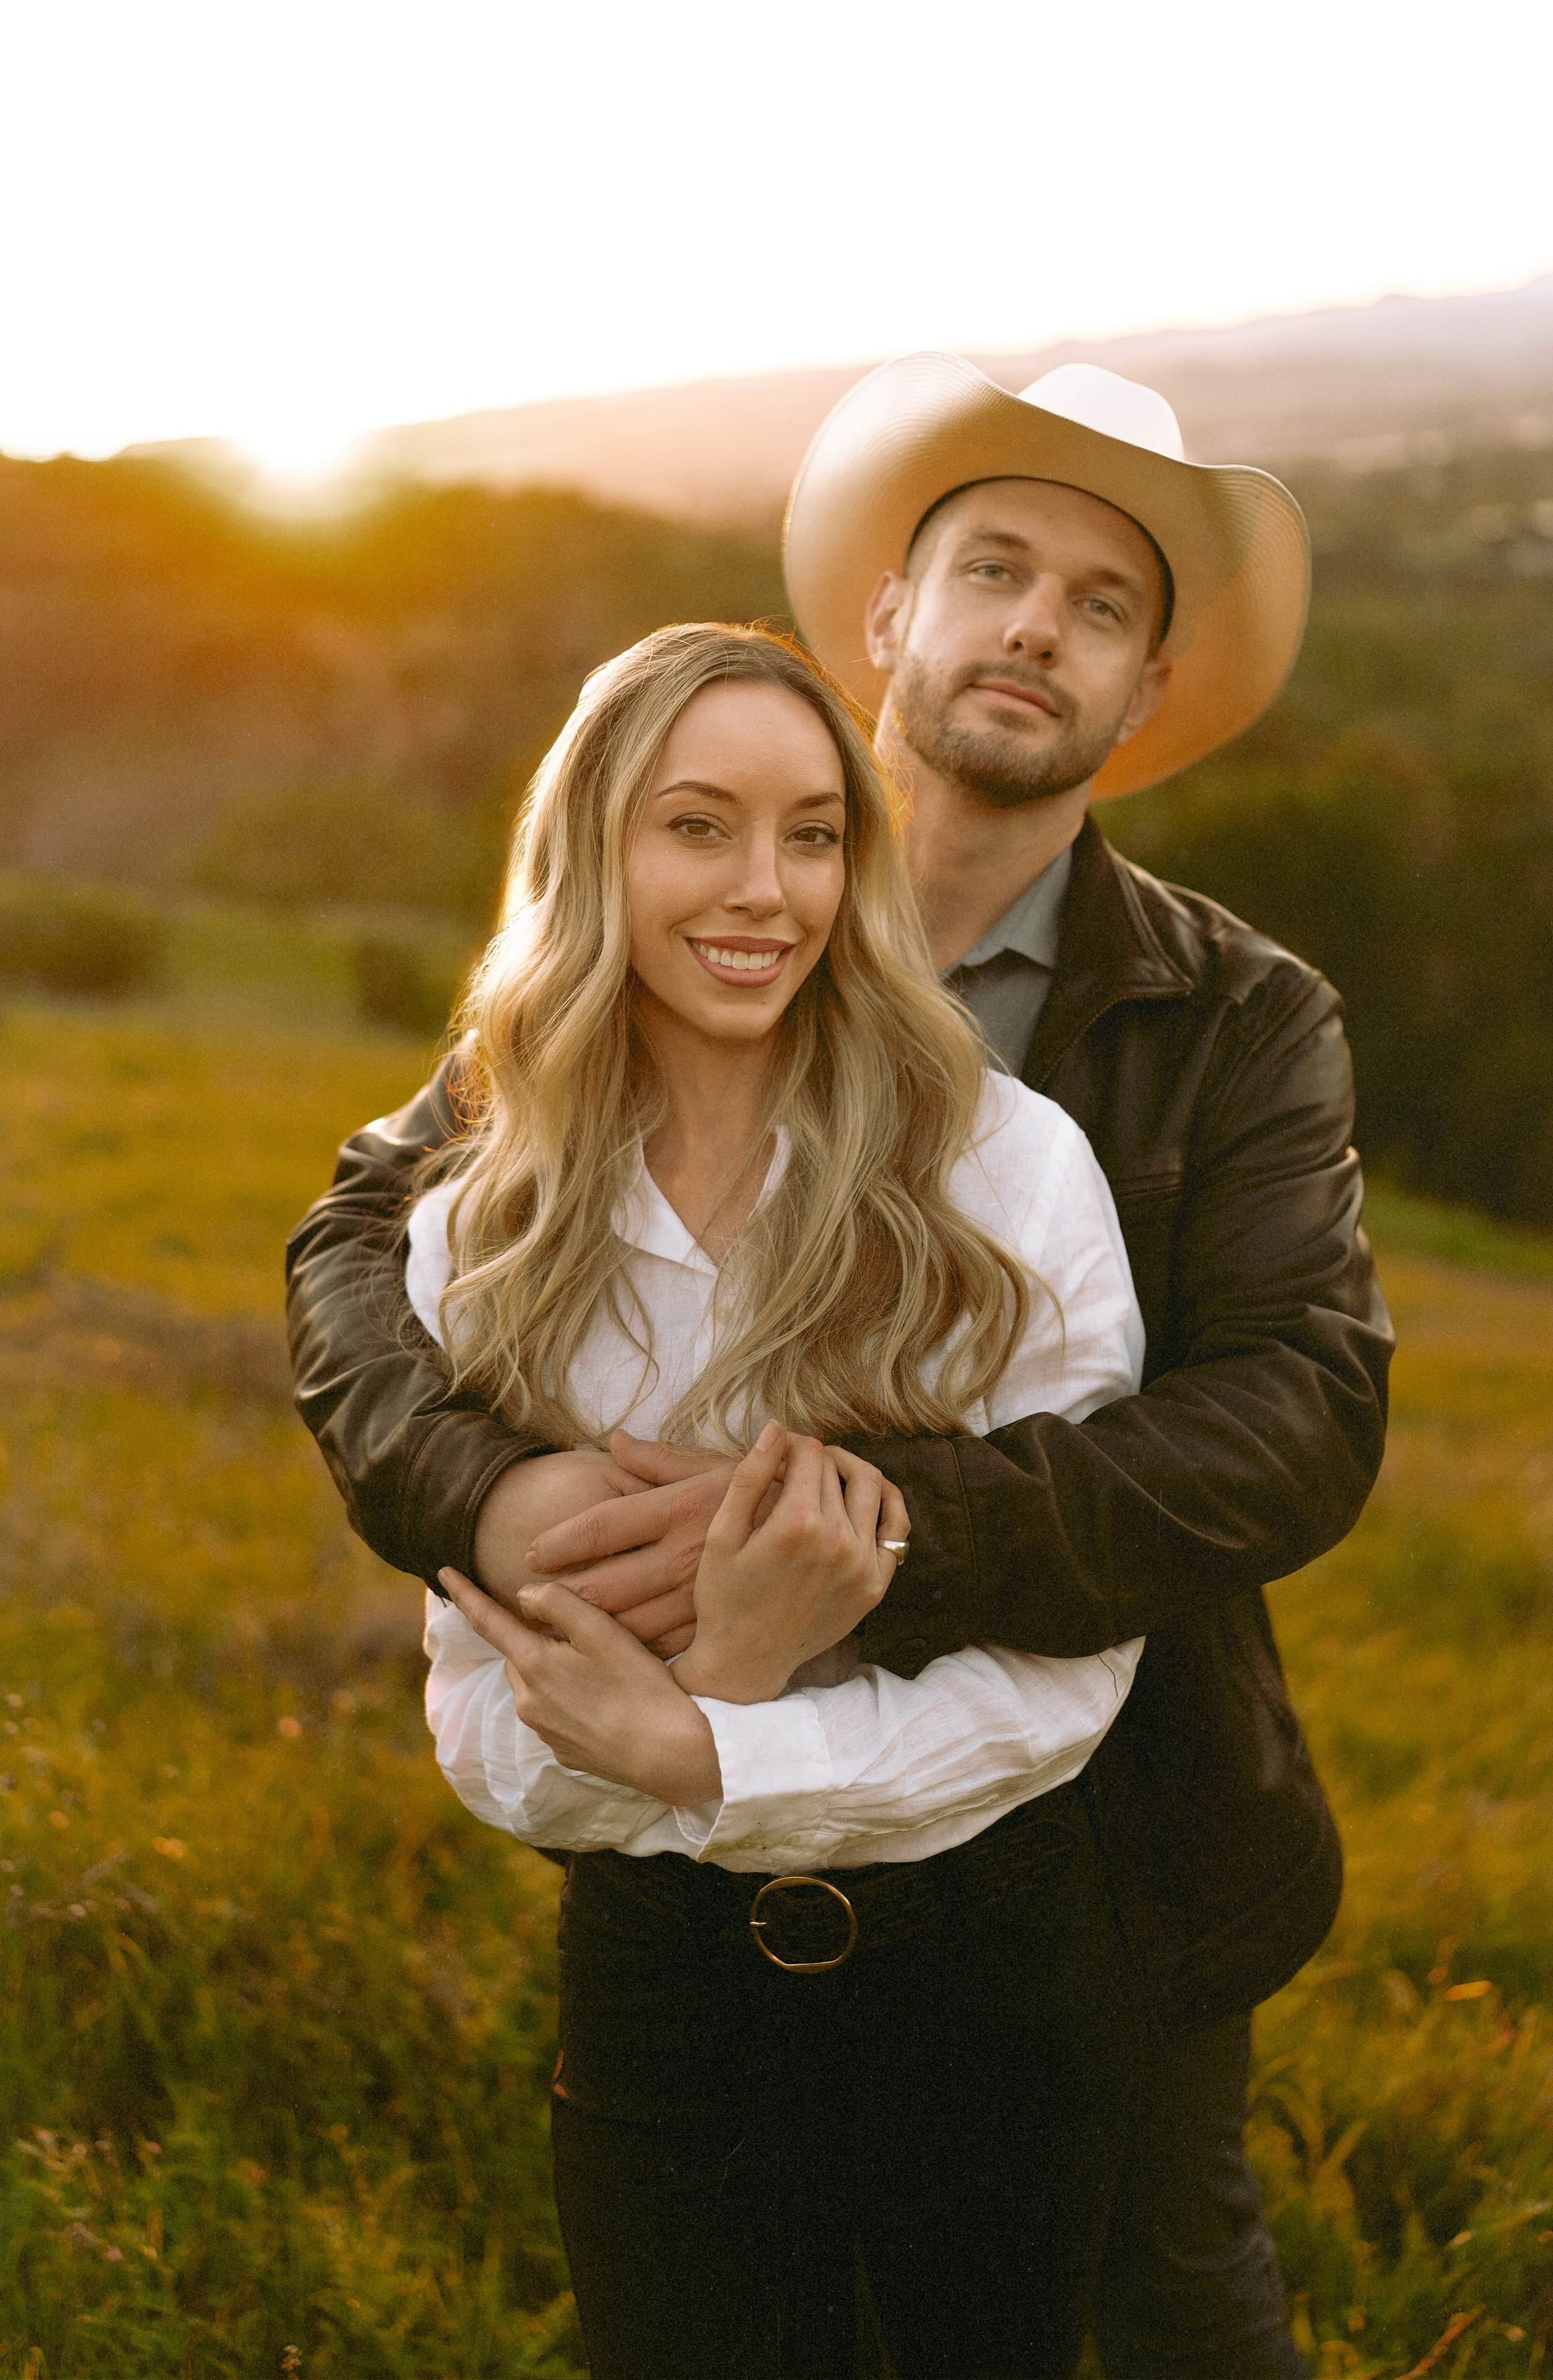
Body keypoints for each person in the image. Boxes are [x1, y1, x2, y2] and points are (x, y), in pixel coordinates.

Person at [286, 360, 1395, 2379]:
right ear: (890, 612)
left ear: (1146, 689)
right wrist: (488, 1493)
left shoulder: (1240, 1017)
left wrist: (849, 1535)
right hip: (670, 1834)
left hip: (1116, 1826)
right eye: (996, 568)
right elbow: (369, 1228)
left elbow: (1304, 1415)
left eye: (1104, 604)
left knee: (1161, 2292)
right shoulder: (688, 923)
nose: (1038, 627)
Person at [395, 620, 1148, 2378]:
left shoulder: (1004, 1166)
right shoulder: (479, 1230)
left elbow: (1076, 1656)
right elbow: (479, 1716)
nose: (765, 889)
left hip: (979, 1985)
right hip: (654, 1990)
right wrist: (714, 1701)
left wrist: (707, 1748)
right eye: (698, 826)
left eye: (813, 834)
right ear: (592, 850)